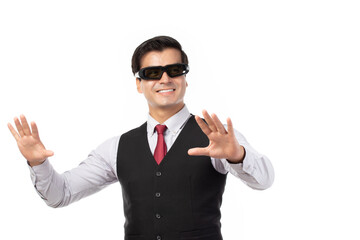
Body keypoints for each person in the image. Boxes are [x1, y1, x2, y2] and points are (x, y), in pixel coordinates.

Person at [8, 36, 274, 240]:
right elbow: (60, 194)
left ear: (185, 78)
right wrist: (37, 164)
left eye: (175, 69)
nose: (165, 78)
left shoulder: (217, 138)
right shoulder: (117, 147)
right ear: (139, 84)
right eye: (152, 73)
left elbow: (264, 180)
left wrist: (237, 155)